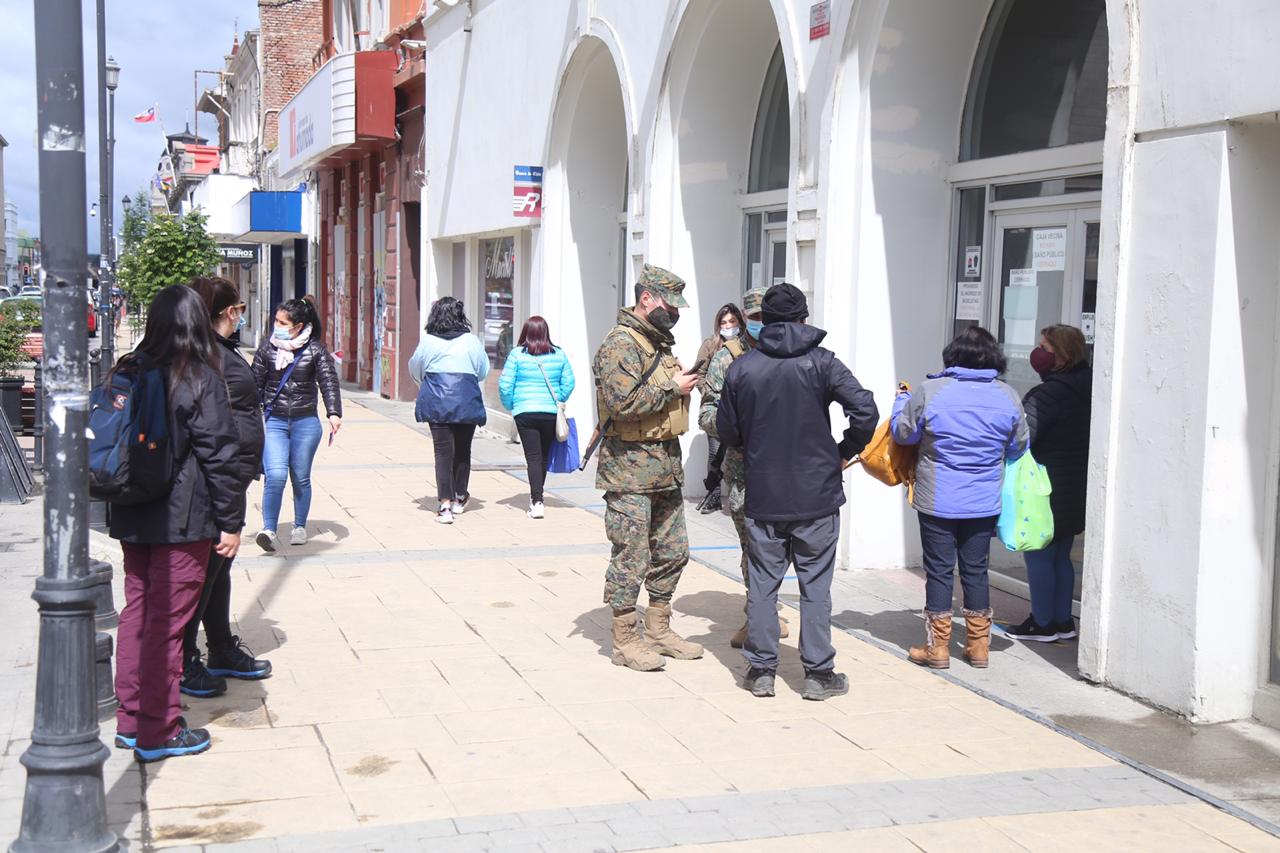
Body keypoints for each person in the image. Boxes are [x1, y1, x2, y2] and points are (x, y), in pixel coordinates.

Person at [717, 283, 879, 700]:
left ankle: (761, 671)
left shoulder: (742, 367)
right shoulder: (823, 362)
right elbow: (865, 409)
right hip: (816, 494)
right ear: (804, 319)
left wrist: (756, 444)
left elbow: (728, 431)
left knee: (763, 585)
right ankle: (818, 674)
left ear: (763, 322)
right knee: (815, 586)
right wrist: (843, 451)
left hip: (765, 492)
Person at [108, 284, 243, 762]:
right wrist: (231, 522)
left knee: (138, 614)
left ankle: (131, 720)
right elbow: (221, 455)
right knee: (167, 623)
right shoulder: (198, 376)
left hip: (132, 510)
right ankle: (158, 730)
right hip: (182, 520)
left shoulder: (127, 369)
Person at [891, 325, 1029, 670]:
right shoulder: (1007, 396)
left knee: (938, 571)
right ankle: (978, 647)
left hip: (937, 497)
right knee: (976, 570)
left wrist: (900, 403)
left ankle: (937, 649)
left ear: (952, 356)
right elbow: (1018, 446)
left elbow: (904, 435)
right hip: (983, 500)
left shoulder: (932, 390)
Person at [593, 263, 702, 671]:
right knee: (631, 557)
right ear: (646, 298)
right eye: (668, 305)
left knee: (674, 552)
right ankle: (625, 641)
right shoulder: (621, 344)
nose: (673, 313)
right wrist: (673, 388)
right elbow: (622, 404)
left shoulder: (657, 344)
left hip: (664, 469)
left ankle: (658, 627)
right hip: (629, 473)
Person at [180, 278, 271, 699]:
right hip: (220, 478)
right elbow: (213, 427)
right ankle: (183, 660)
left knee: (219, 572)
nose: (241, 313)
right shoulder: (207, 355)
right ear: (224, 311)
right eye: (237, 307)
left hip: (232, 474)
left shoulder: (221, 351)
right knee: (206, 572)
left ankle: (219, 648)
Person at [698, 288, 790, 646]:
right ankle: (758, 617)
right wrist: (738, 425)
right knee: (752, 546)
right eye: (752, 318)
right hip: (744, 473)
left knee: (784, 547)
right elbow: (706, 414)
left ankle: (769, 609)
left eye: (763, 317)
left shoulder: (791, 353)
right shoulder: (727, 358)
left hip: (786, 471)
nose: (759, 324)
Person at [1003, 325, 1091, 642]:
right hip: (1074, 483)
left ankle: (1041, 623)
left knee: (1039, 553)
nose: (1038, 352)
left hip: (1045, 486)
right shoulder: (1088, 385)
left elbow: (1023, 437)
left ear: (1062, 355)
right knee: (1060, 556)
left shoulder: (1050, 393)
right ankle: (1062, 621)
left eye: (1044, 346)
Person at [251, 297, 343, 551]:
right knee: (276, 475)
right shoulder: (266, 349)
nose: (277, 326)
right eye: (276, 321)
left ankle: (299, 526)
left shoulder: (315, 349)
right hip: (275, 422)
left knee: (300, 477)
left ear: (299, 325)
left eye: (283, 323)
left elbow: (328, 380)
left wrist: (334, 412)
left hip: (305, 422)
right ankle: (268, 529)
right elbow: (253, 384)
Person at [408, 297, 490, 525]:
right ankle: (460, 496)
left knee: (442, 453)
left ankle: (445, 505)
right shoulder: (471, 341)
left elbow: (415, 368)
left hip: (437, 402)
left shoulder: (428, 342)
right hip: (466, 400)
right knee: (463, 450)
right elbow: (483, 370)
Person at [498, 315, 575, 518]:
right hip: (550, 413)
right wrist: (559, 399)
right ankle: (538, 498)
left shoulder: (517, 354)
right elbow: (569, 381)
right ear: (545, 332)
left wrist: (511, 405)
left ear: (526, 332)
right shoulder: (559, 354)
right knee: (542, 457)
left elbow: (505, 385)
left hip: (525, 412)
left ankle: (537, 501)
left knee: (532, 456)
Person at [694, 304, 751, 514]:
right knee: (715, 454)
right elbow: (700, 373)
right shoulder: (712, 345)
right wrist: (708, 391)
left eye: (732, 322)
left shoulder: (749, 346)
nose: (728, 326)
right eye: (724, 323)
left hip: (742, 415)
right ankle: (714, 495)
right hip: (718, 408)